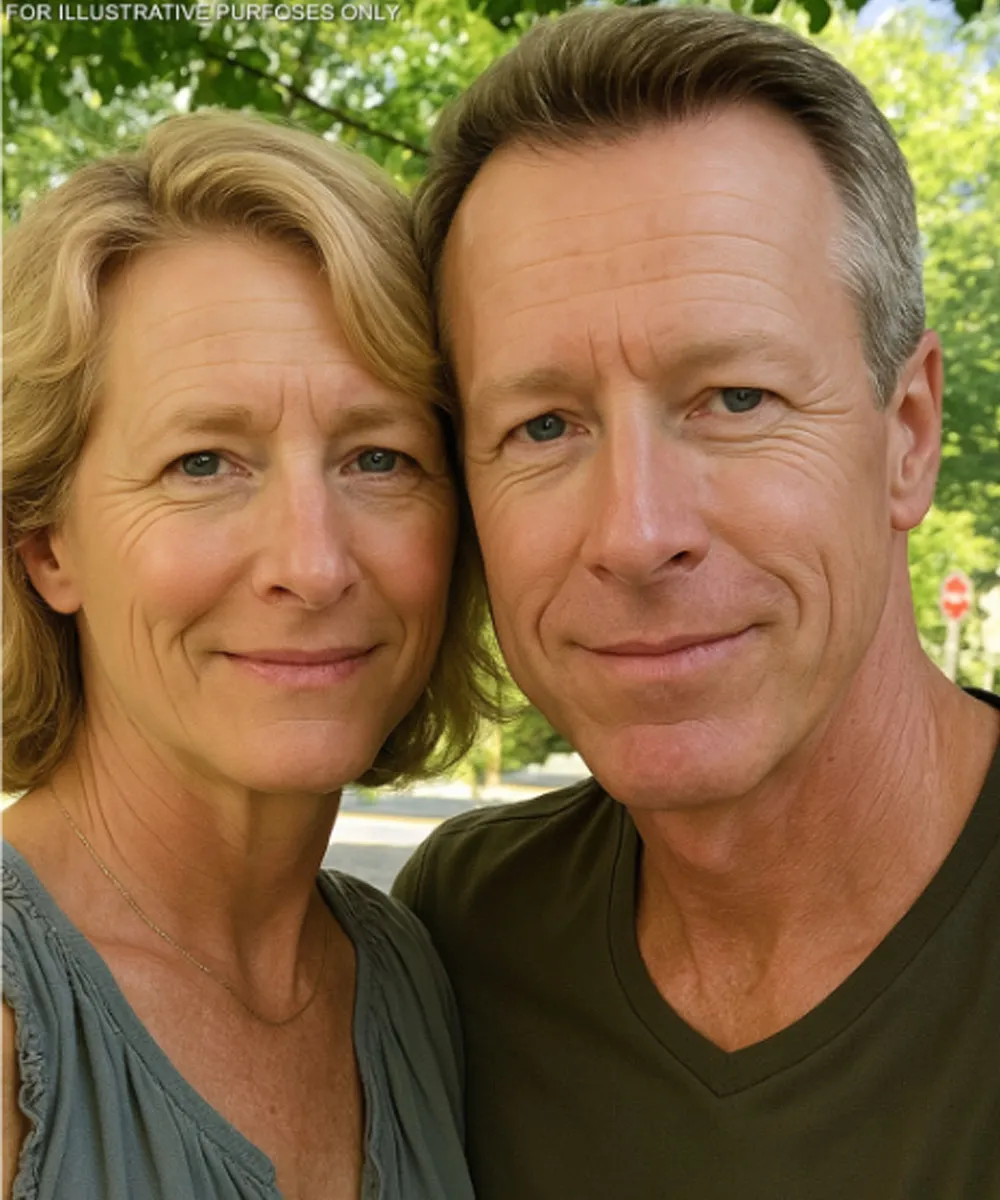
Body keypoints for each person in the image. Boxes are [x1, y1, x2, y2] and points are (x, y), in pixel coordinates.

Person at [392, 8, 1000, 1198]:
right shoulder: (465, 935)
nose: (635, 532)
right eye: (542, 426)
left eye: (734, 398)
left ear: (907, 436)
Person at [2, 110, 497, 1200]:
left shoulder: (408, 977)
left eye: (379, 457)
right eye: (203, 463)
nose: (312, 565)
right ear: (47, 547)